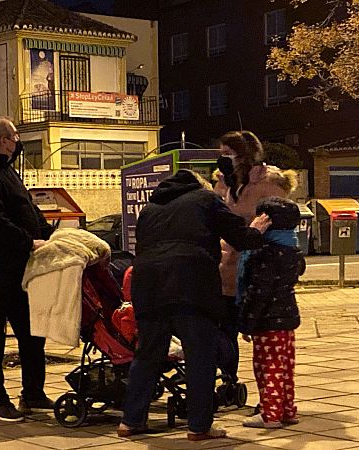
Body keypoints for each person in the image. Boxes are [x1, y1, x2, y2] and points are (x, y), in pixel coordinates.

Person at [118, 169, 271, 441]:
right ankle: (198, 426)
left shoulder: (150, 208)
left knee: (147, 355)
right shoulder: (205, 199)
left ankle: (130, 421)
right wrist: (256, 230)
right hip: (191, 284)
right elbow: (240, 238)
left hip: (148, 285)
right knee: (200, 356)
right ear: (199, 184)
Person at [0, 116, 54, 422]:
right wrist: (28, 241)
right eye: (15, 137)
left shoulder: (7, 170)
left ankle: (33, 393)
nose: (18, 143)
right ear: (3, 141)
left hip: (20, 266)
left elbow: (27, 208)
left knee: (31, 332)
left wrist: (48, 235)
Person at [214, 130, 296, 383]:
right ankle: (228, 381)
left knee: (262, 337)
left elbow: (279, 226)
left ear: (246, 155)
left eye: (228, 154)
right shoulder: (223, 183)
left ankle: (272, 396)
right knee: (223, 330)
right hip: (223, 268)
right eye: (221, 153)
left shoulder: (269, 185)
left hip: (256, 271)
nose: (223, 159)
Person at [238, 197, 304, 429]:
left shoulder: (264, 254)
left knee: (268, 368)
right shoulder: (292, 250)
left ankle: (270, 414)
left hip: (267, 320)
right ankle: (286, 410)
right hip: (287, 318)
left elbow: (259, 293)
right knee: (285, 368)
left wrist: (246, 323)